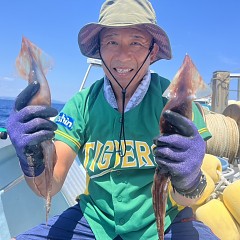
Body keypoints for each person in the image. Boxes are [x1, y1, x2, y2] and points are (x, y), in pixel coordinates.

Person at [7, 0, 219, 239]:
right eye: (111, 41)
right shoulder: (82, 104)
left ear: (153, 52)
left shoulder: (176, 103)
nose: (122, 55)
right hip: (95, 220)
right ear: (99, 49)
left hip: (165, 221)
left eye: (136, 42)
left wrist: (188, 178)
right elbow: (49, 185)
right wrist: (30, 156)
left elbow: (186, 198)